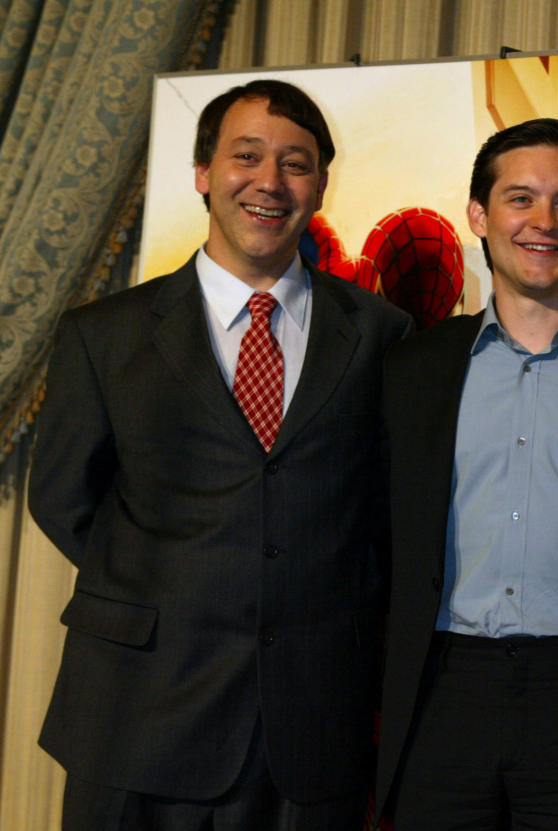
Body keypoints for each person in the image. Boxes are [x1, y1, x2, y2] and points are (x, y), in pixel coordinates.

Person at [28, 79, 410, 831]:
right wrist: (173, 580)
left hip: (311, 728)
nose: (269, 182)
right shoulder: (101, 334)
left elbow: (388, 512)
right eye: (246, 157)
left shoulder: (381, 335)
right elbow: (64, 498)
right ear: (203, 172)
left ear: (322, 184)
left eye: (295, 163)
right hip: (138, 710)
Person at [375, 118, 558, 830]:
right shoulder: (410, 371)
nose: (544, 221)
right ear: (478, 214)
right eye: (520, 199)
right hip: (442, 692)